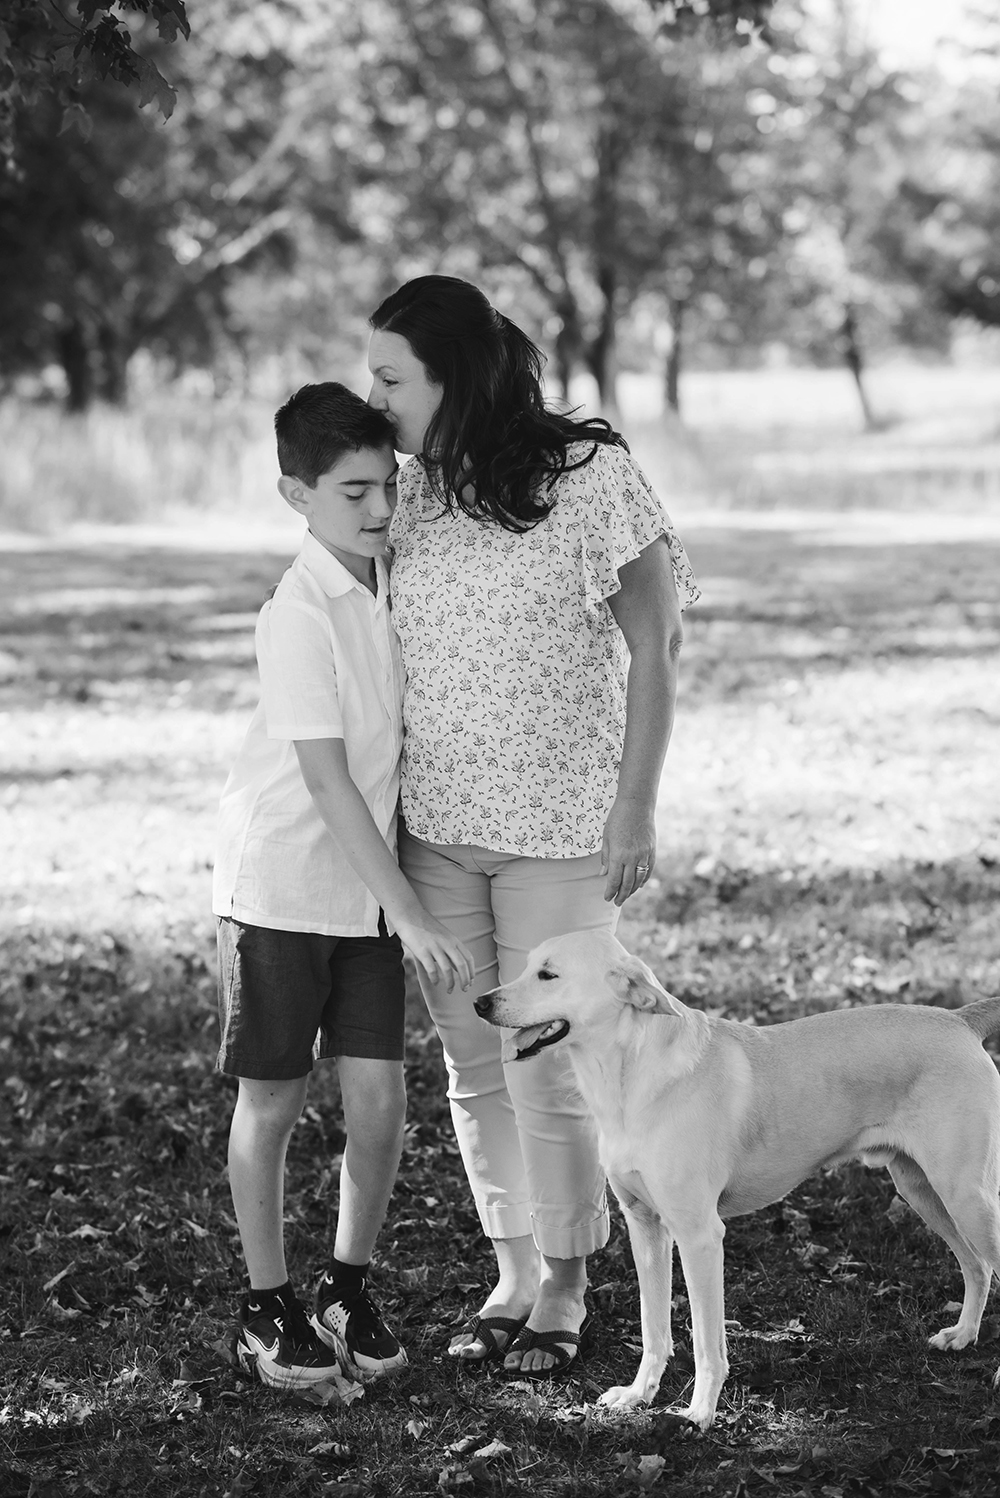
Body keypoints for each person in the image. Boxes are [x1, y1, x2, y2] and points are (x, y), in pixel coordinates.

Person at [367, 276, 700, 1377]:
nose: (375, 399)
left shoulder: (591, 477)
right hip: (436, 830)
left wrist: (634, 804)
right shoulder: (405, 493)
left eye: (390, 378)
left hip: (560, 826)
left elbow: (653, 647)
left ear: (453, 376)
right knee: (474, 1063)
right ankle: (511, 1266)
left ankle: (565, 1279)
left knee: (547, 1064)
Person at [212, 381, 474, 1390]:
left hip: (367, 894)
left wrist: (394, 904)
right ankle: (265, 1302)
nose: (378, 506)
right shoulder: (297, 612)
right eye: (354, 489)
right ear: (296, 493)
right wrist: (410, 913)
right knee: (272, 1097)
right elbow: (324, 778)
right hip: (282, 885)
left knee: (378, 1104)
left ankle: (343, 1285)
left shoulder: (391, 580)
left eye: (389, 483)